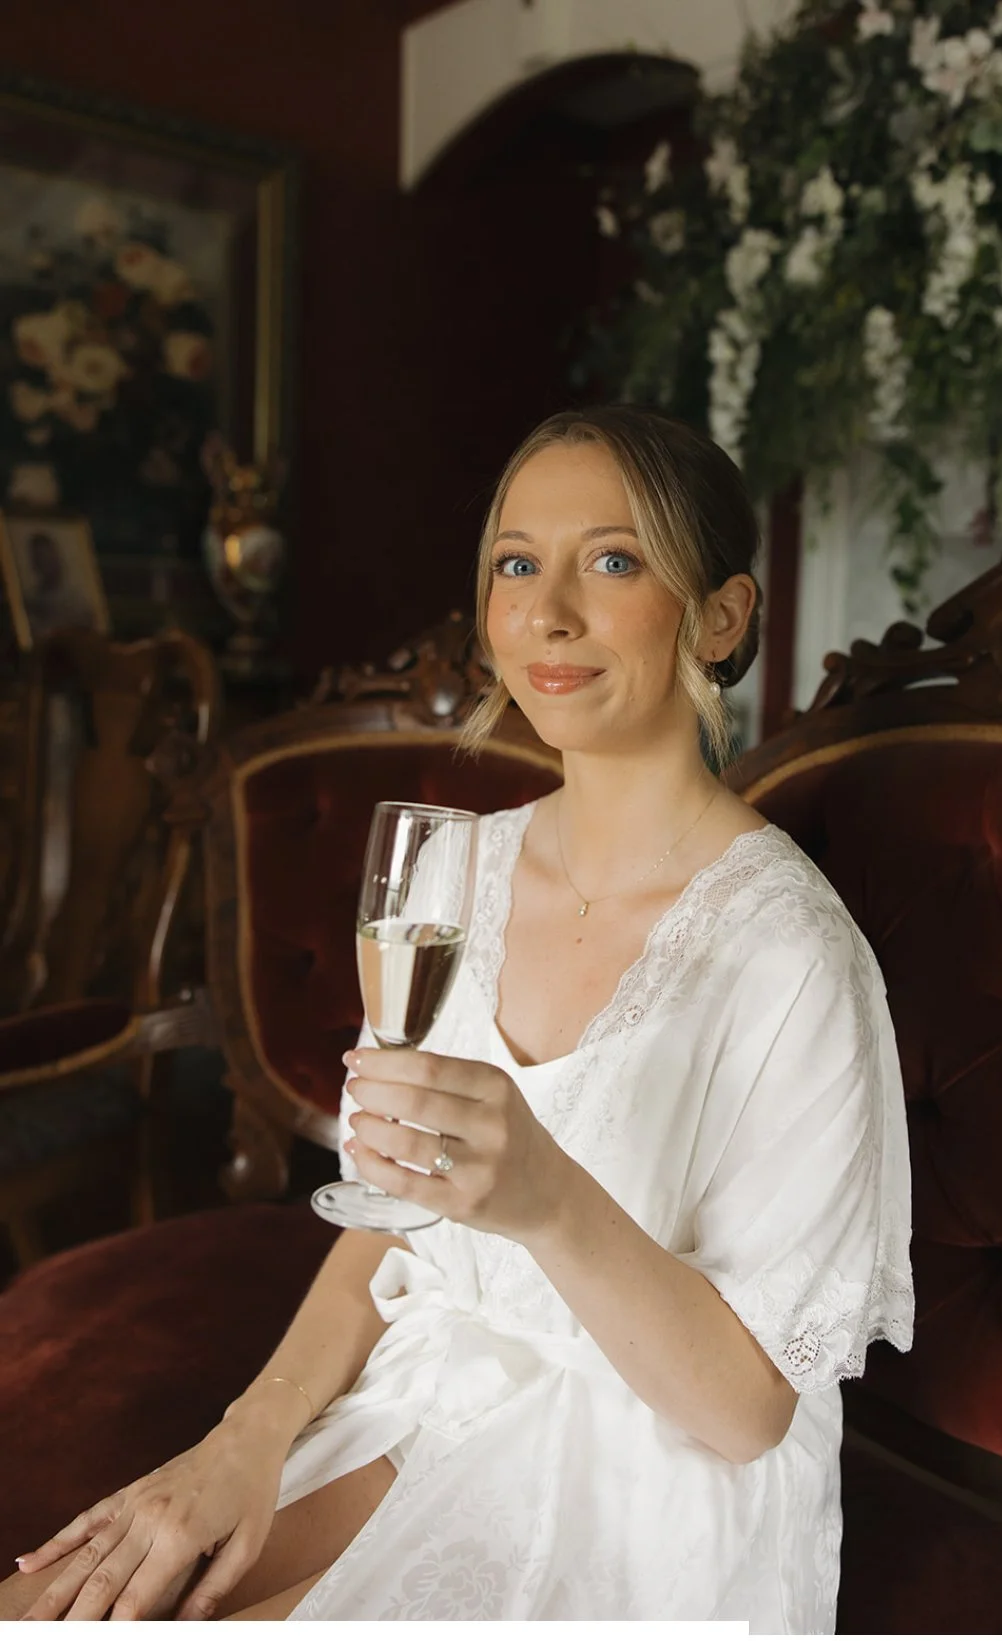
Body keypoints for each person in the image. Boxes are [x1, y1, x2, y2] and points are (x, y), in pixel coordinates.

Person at [2, 407, 914, 1628]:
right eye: (515, 564)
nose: (548, 614)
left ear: (723, 615)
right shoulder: (448, 874)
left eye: (613, 559)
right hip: (427, 1390)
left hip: (651, 1481)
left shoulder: (795, 956)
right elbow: (391, 1215)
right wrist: (242, 1444)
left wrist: (547, 1200)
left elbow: (747, 1412)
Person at [19, 530, 98, 640]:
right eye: (41, 559)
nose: (46, 564)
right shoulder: (30, 599)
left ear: (56, 558)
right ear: (35, 564)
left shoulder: (77, 599)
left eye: (48, 558)